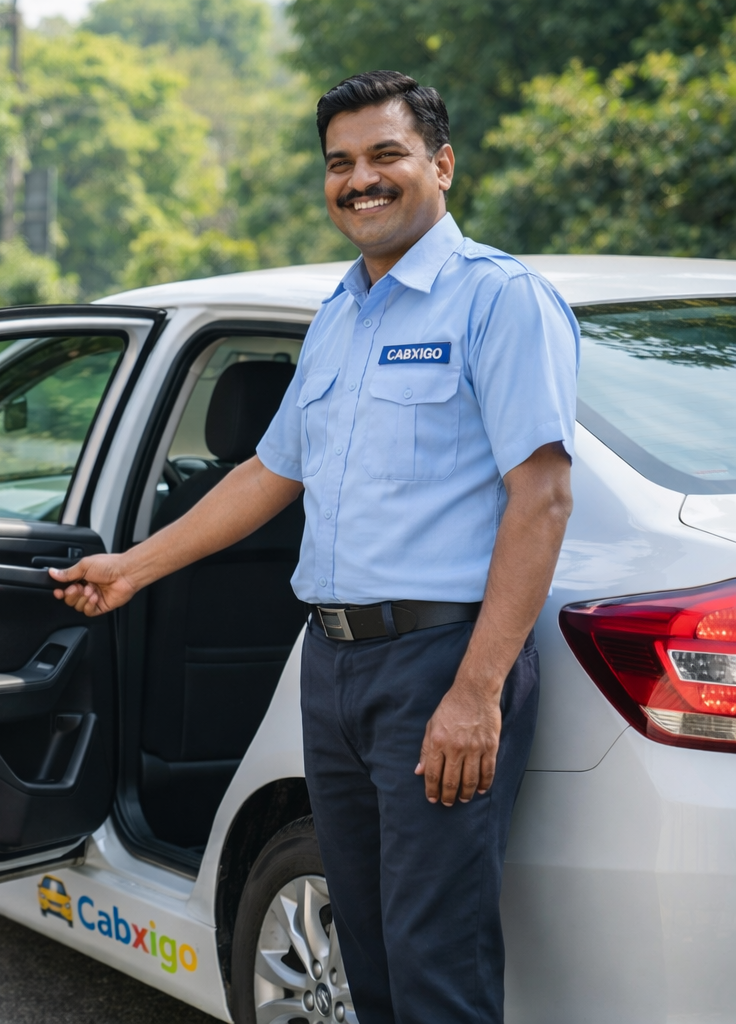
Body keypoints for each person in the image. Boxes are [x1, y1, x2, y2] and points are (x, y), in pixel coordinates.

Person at [49, 71, 577, 1024]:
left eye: (386, 155)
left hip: (439, 662)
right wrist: (132, 568)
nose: (360, 180)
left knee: (436, 961)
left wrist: (476, 691)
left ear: (442, 165)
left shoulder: (498, 301)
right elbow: (270, 471)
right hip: (332, 664)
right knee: (363, 948)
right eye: (340, 163)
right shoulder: (339, 313)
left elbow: (541, 497)